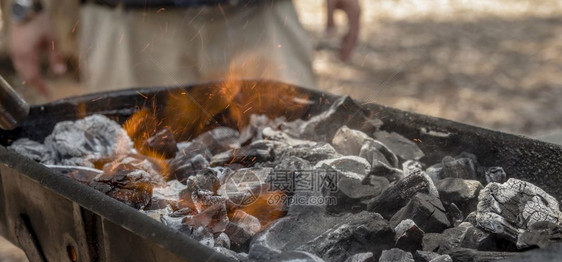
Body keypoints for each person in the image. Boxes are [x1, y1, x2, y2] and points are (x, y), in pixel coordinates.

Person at [8, 0, 360, 97]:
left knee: (300, 184)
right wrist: (24, 8)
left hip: (261, 21)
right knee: (132, 191)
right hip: (131, 30)